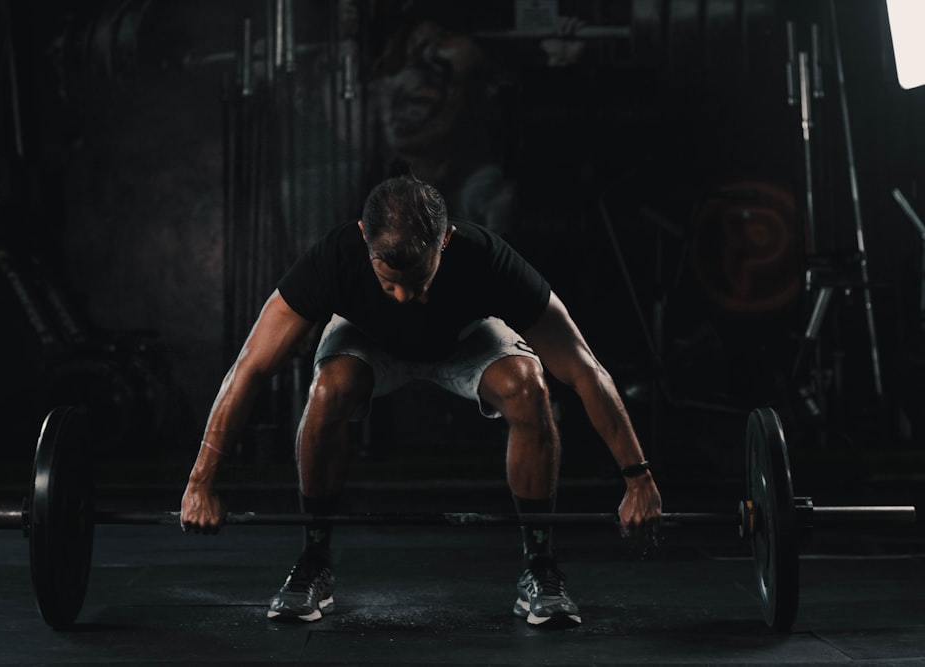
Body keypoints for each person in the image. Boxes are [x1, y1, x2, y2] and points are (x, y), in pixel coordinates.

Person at [180, 175, 663, 628]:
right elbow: (250, 368)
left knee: (529, 387)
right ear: (364, 238)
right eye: (388, 282)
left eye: (420, 281)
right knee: (328, 390)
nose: (404, 298)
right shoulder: (333, 259)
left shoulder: (487, 259)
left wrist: (637, 477)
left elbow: (583, 368)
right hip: (369, 344)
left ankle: (540, 566)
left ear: (446, 240)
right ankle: (313, 561)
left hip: (463, 342)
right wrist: (201, 482)